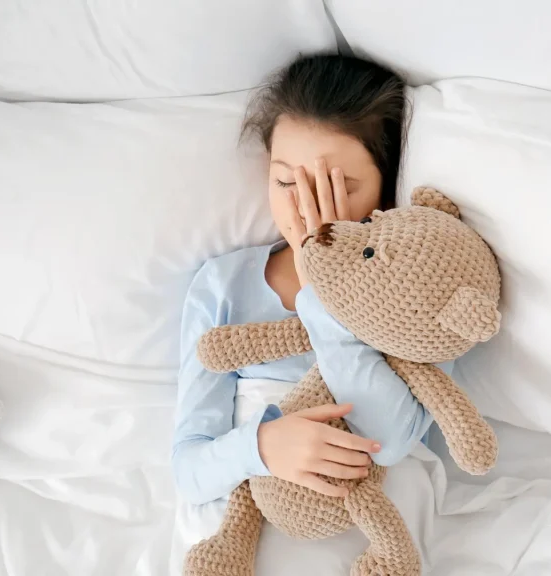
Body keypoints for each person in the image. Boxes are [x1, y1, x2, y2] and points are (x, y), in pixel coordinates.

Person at [172, 54, 453, 506]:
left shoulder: (416, 286)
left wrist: (323, 295)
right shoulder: (224, 284)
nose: (306, 209)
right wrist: (261, 447)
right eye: (286, 183)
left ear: (387, 185)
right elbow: (188, 471)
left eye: (335, 188)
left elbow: (391, 440)